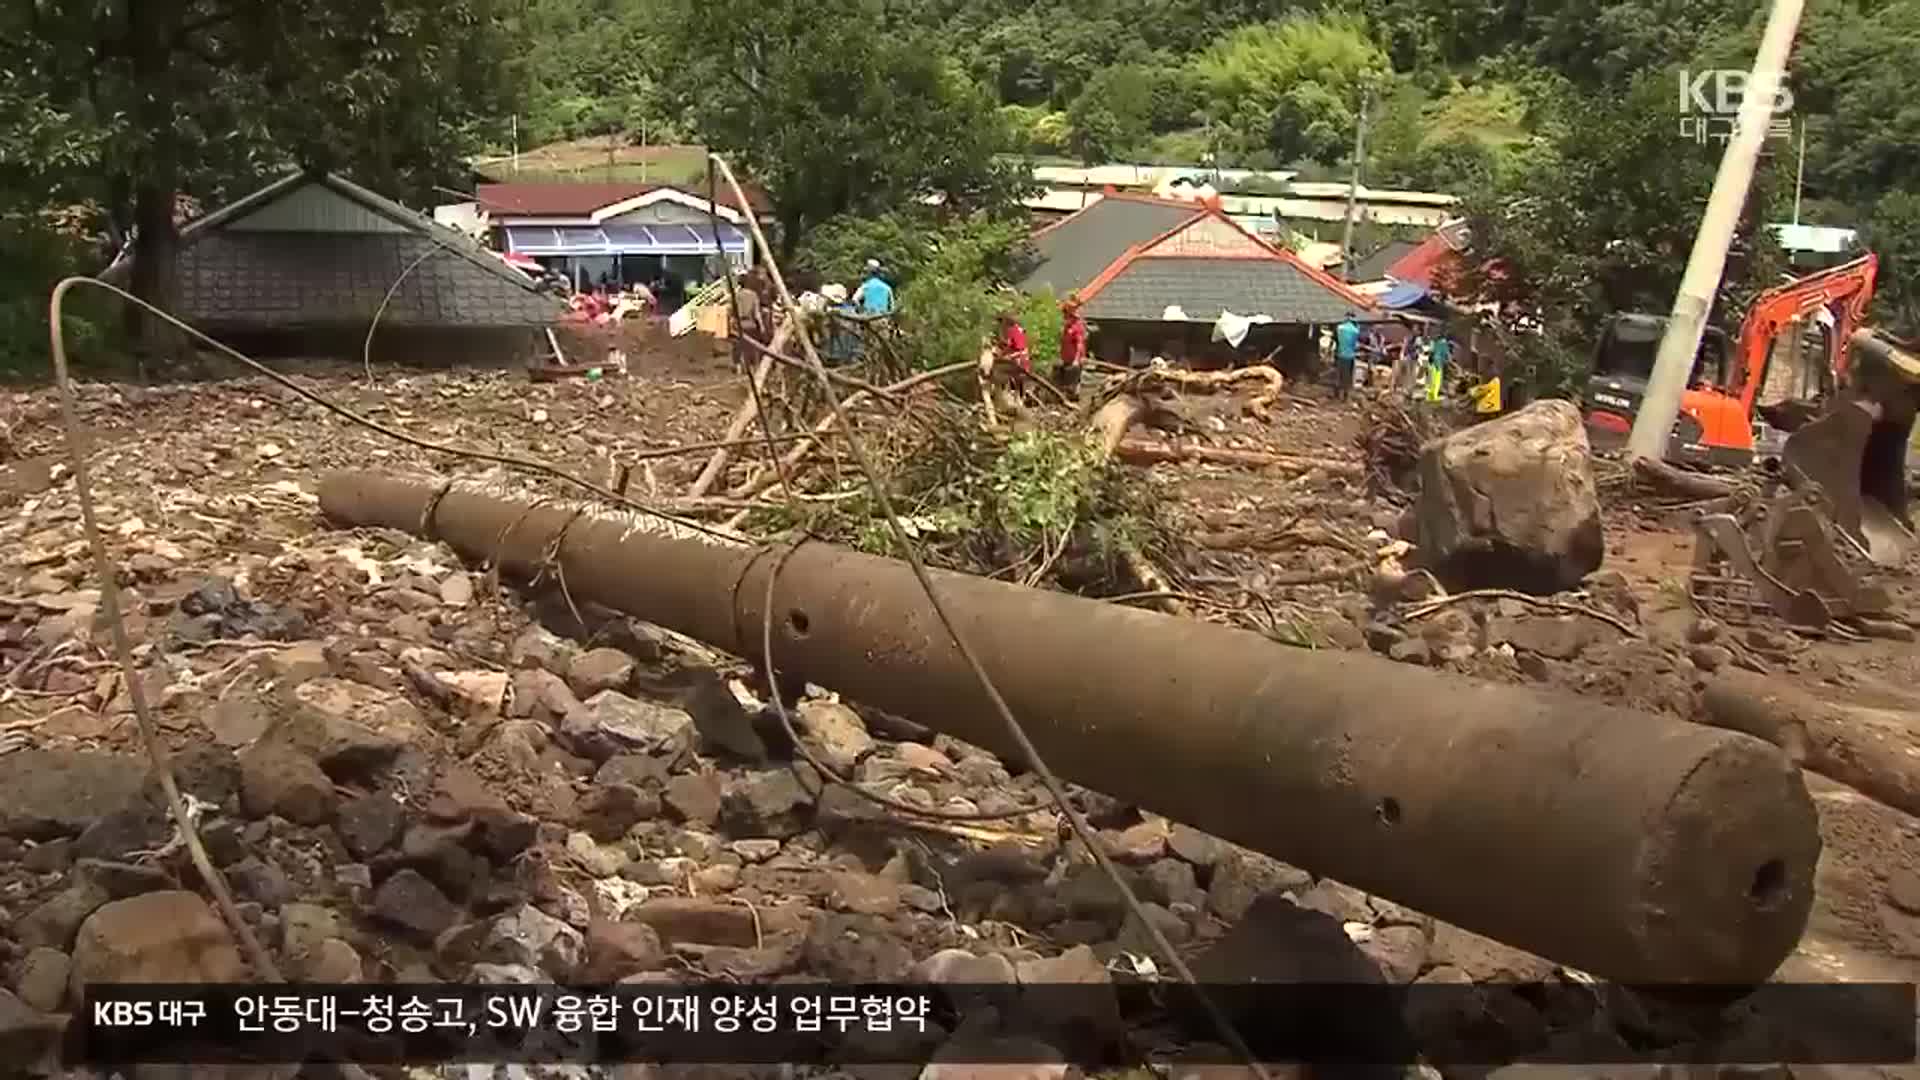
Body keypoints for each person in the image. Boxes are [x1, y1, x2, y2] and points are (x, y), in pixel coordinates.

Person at [1056, 293, 1088, 393]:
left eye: (1066, 314)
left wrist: (1076, 360)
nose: (1064, 317)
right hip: (1066, 360)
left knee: (1072, 386)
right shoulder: (1066, 327)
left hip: (1074, 362)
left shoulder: (1077, 326)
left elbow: (1079, 344)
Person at [1332, 311, 1361, 400]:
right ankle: (1345, 396)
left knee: (1338, 375)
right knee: (1347, 376)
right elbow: (1355, 344)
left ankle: (1336, 395)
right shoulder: (1356, 330)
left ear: (1346, 317)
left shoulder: (1340, 327)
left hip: (1340, 354)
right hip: (1350, 356)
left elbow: (1336, 339)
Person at [1425, 331, 1452, 405]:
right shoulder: (1444, 344)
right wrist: (1450, 360)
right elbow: (1448, 356)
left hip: (1432, 363)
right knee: (1437, 380)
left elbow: (1430, 352)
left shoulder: (1434, 343)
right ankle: (1435, 396)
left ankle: (1429, 396)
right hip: (1438, 364)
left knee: (1431, 379)